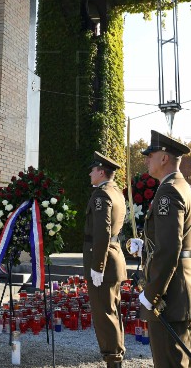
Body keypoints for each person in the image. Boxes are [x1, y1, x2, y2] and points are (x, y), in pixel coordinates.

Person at [130, 130, 191, 368]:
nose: (146, 159)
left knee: (170, 363)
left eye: (150, 154)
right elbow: (180, 242)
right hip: (182, 288)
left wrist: (152, 294)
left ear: (164, 157)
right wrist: (146, 247)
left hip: (169, 294)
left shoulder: (168, 191)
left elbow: (170, 249)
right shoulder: (187, 189)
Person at [83, 151, 128, 368]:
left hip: (104, 261)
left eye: (92, 170)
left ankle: (113, 360)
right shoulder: (116, 192)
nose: (90, 173)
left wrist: (97, 266)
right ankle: (116, 356)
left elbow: (102, 231)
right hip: (114, 258)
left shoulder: (101, 195)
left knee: (104, 314)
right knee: (112, 311)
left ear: (101, 171)